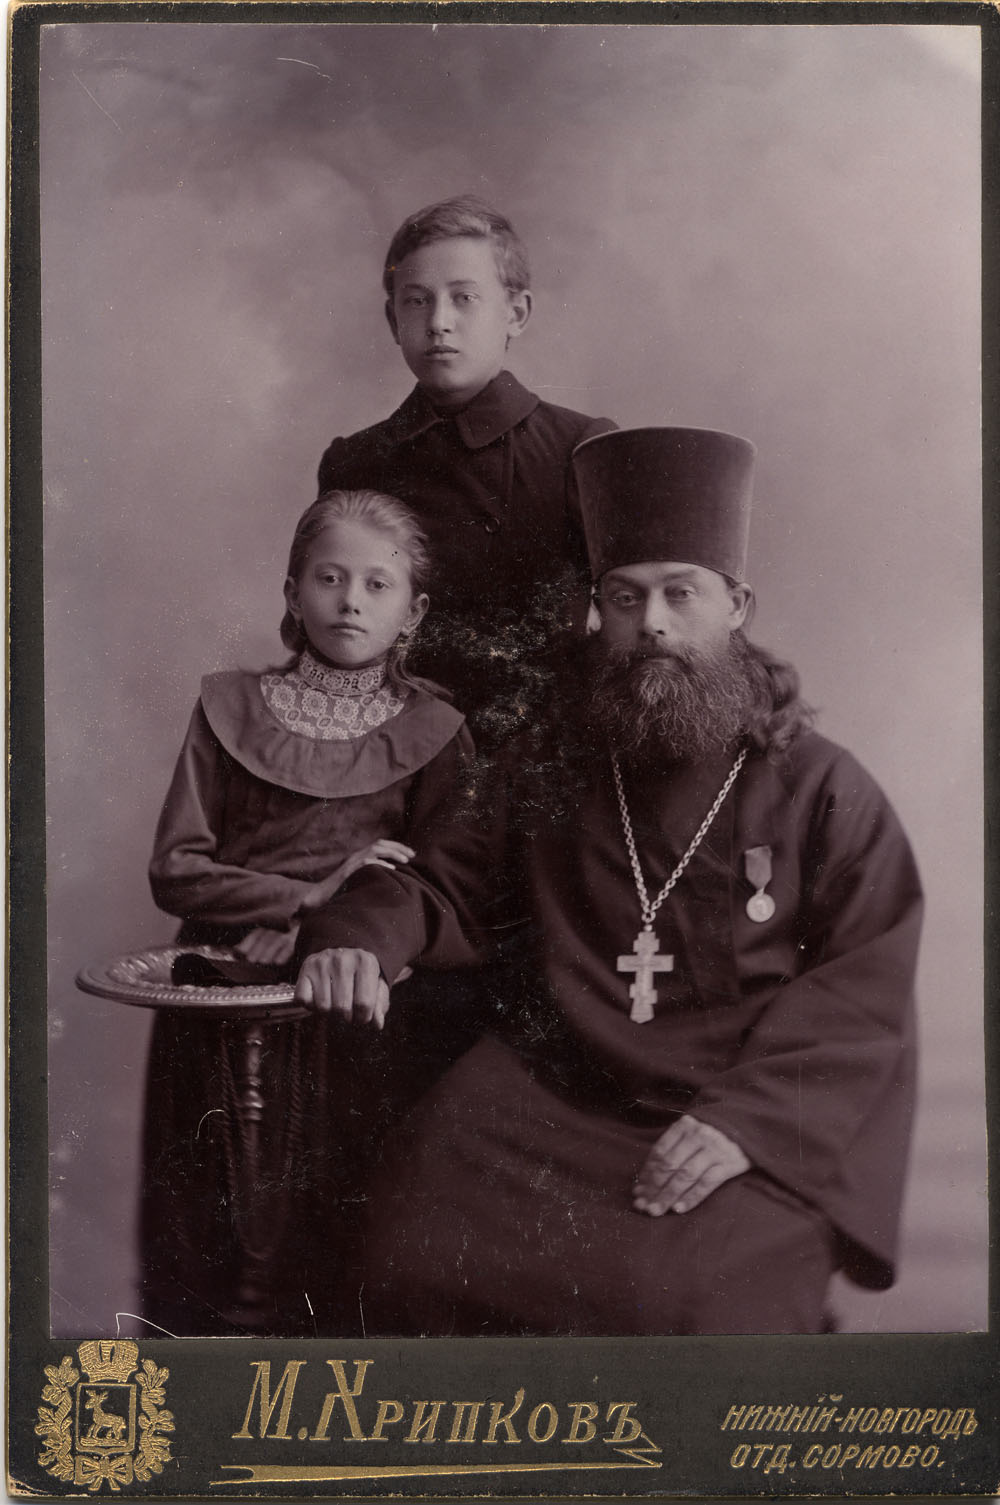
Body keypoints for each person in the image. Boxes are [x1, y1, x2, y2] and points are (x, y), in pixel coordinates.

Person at [295, 427, 924, 1337]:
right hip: (552, 1097)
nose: (652, 623)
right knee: (404, 1250)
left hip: (731, 1108)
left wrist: (750, 1122)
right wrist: (360, 934)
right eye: (625, 597)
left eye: (680, 592)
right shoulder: (547, 760)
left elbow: (866, 978)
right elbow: (445, 886)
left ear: (736, 604)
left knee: (690, 1303)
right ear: (599, 611)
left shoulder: (823, 785)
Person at [141, 489, 481, 1336]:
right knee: (209, 1231)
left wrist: (339, 923)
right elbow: (175, 869)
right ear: (293, 592)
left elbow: (443, 888)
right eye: (329, 578)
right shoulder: (227, 706)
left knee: (329, 1239)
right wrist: (304, 894)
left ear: (414, 611)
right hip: (219, 998)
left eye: (377, 584)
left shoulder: (437, 730)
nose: (350, 600)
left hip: (349, 1012)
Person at [316, 194, 616, 747]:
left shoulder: (578, 448)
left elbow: (630, 615)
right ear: (393, 320)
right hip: (390, 747)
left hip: (538, 751)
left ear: (516, 314)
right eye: (417, 301)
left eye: (464, 298)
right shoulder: (355, 461)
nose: (438, 323)